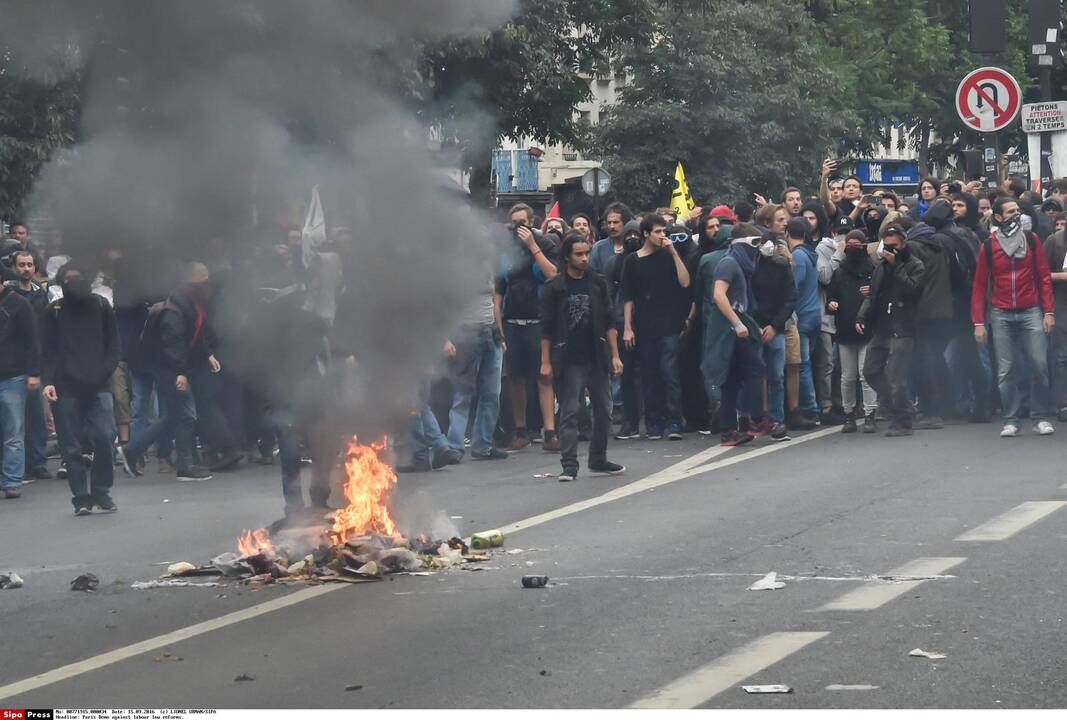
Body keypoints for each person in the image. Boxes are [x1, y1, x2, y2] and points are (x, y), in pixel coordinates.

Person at [118, 263, 218, 481]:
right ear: (190, 279)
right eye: (203, 276)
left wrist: (208, 354)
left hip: (175, 368)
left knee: (175, 416)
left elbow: (196, 333)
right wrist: (180, 372)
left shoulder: (193, 304)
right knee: (186, 415)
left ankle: (136, 451)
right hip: (169, 370)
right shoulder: (176, 308)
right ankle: (176, 464)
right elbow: (173, 343)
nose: (207, 279)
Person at [540, 231, 625, 481]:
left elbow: (609, 321)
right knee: (569, 411)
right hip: (568, 358)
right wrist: (545, 361)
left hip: (597, 355)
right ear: (567, 257)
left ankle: (598, 458)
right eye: (579, 254)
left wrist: (615, 356)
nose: (585, 258)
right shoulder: (554, 287)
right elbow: (546, 327)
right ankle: (569, 465)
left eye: (586, 253)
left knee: (604, 410)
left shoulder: (597, 282)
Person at [972, 197, 1056, 437]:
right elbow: (979, 285)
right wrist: (979, 322)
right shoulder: (989, 246)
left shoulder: (1031, 240)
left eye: (1018, 211)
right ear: (998, 217)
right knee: (1005, 371)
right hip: (1001, 313)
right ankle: (1011, 418)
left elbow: (1043, 277)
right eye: (1010, 212)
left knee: (1039, 364)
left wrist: (1048, 311)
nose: (1016, 215)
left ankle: (1039, 416)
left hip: (1031, 310)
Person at [42, 264, 120, 513]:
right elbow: (48, 349)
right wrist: (49, 382)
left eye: (77, 278)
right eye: (67, 279)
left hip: (99, 385)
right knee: (71, 446)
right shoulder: (54, 310)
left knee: (105, 438)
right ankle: (81, 498)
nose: (72, 283)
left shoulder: (101, 306)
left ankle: (101, 491)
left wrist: (101, 373)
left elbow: (114, 346)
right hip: (66, 387)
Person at [494, 203, 560, 451]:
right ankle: (520, 431)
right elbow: (498, 294)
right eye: (514, 224)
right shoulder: (505, 251)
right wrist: (499, 329)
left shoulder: (546, 244)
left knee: (544, 377)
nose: (517, 228)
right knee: (516, 379)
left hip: (539, 322)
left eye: (522, 222)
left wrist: (533, 246)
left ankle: (549, 432)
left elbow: (553, 274)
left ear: (532, 222)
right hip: (513, 322)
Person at [621, 214, 690, 440]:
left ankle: (675, 421)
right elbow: (628, 296)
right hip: (644, 324)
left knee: (670, 372)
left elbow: (685, 281)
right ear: (646, 234)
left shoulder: (669, 256)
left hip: (669, 323)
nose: (662, 236)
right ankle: (654, 422)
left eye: (664, 232)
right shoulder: (632, 260)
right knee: (650, 374)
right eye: (658, 232)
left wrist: (673, 253)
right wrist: (628, 327)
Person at [856, 224, 926, 436]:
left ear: (903, 243)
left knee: (895, 376)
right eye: (886, 246)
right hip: (882, 327)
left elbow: (914, 290)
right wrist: (862, 316)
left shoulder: (915, 265)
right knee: (870, 371)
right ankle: (899, 405)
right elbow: (873, 295)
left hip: (902, 327)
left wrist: (896, 267)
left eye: (893, 245)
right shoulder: (881, 267)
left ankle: (902, 421)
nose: (889, 250)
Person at [446, 264, 506, 461]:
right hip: (466, 335)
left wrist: (501, 335)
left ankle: (483, 445)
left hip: (491, 334)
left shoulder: (488, 266)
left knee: (491, 393)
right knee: (463, 394)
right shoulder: (456, 267)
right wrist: (446, 338)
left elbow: (493, 302)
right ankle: (454, 447)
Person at [908, 201, 956, 430]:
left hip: (923, 311)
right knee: (935, 359)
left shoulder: (916, 247)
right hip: (943, 308)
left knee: (924, 361)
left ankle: (931, 410)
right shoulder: (938, 243)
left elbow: (913, 281)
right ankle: (947, 405)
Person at [6, 250, 50, 480]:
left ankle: (38, 462)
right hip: (12, 364)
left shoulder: (41, 295)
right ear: (14, 267)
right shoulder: (9, 296)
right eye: (21, 265)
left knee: (36, 415)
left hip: (36, 363)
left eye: (30, 265)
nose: (26, 269)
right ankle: (16, 467)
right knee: (14, 420)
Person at [828, 230, 876, 433]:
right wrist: (831, 303)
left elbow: (881, 295)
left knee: (866, 374)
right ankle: (849, 414)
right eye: (850, 245)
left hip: (867, 328)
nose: (853, 248)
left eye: (857, 245)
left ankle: (870, 414)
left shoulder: (873, 270)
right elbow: (831, 295)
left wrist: (873, 290)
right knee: (848, 376)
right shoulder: (839, 272)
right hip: (845, 328)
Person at [748, 229, 795, 439]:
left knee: (776, 376)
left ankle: (777, 419)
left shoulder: (781, 266)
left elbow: (790, 299)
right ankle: (756, 419)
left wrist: (775, 326)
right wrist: (756, 326)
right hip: (754, 328)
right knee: (755, 376)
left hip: (775, 328)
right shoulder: (749, 268)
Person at [0, 271, 40, 499]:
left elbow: (33, 339)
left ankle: (12, 480)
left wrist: (34, 373)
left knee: (13, 430)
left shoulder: (19, 304)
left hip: (13, 375)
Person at [784, 217, 821, 428]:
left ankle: (809, 409)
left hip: (803, 316)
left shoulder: (798, 255)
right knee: (805, 365)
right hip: (814, 313)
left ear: (788, 233)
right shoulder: (809, 252)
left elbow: (793, 287)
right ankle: (811, 407)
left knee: (801, 365)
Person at [589, 202, 633, 274]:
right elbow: (592, 275)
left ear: (625, 223)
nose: (612, 226)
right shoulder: (598, 248)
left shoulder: (634, 245)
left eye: (616, 222)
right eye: (609, 223)